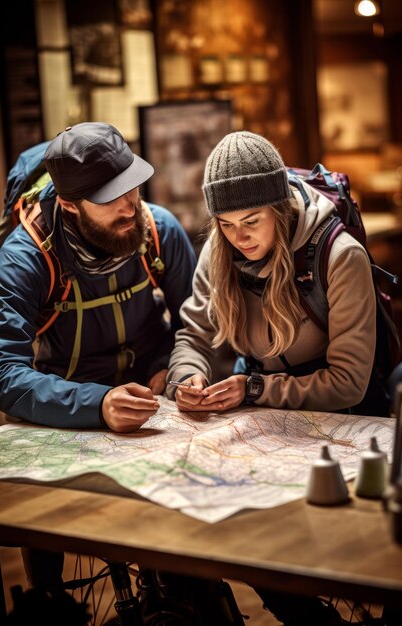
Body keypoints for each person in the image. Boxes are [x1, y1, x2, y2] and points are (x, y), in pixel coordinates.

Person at [166, 131, 381, 625]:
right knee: (249, 540)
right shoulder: (218, 254)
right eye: (224, 224)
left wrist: (256, 388)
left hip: (346, 419)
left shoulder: (338, 255)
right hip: (266, 415)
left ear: (281, 208)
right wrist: (187, 378)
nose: (238, 238)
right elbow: (192, 336)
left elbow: (348, 381)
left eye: (251, 222)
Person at [0, 122, 197, 598]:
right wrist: (98, 404)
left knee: (190, 568)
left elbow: (200, 325)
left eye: (132, 185)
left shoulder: (158, 231)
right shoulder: (27, 259)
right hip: (63, 405)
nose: (130, 205)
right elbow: (1, 373)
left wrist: (177, 368)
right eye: (109, 197)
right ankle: (47, 596)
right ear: (68, 205)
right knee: (47, 576)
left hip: (152, 399)